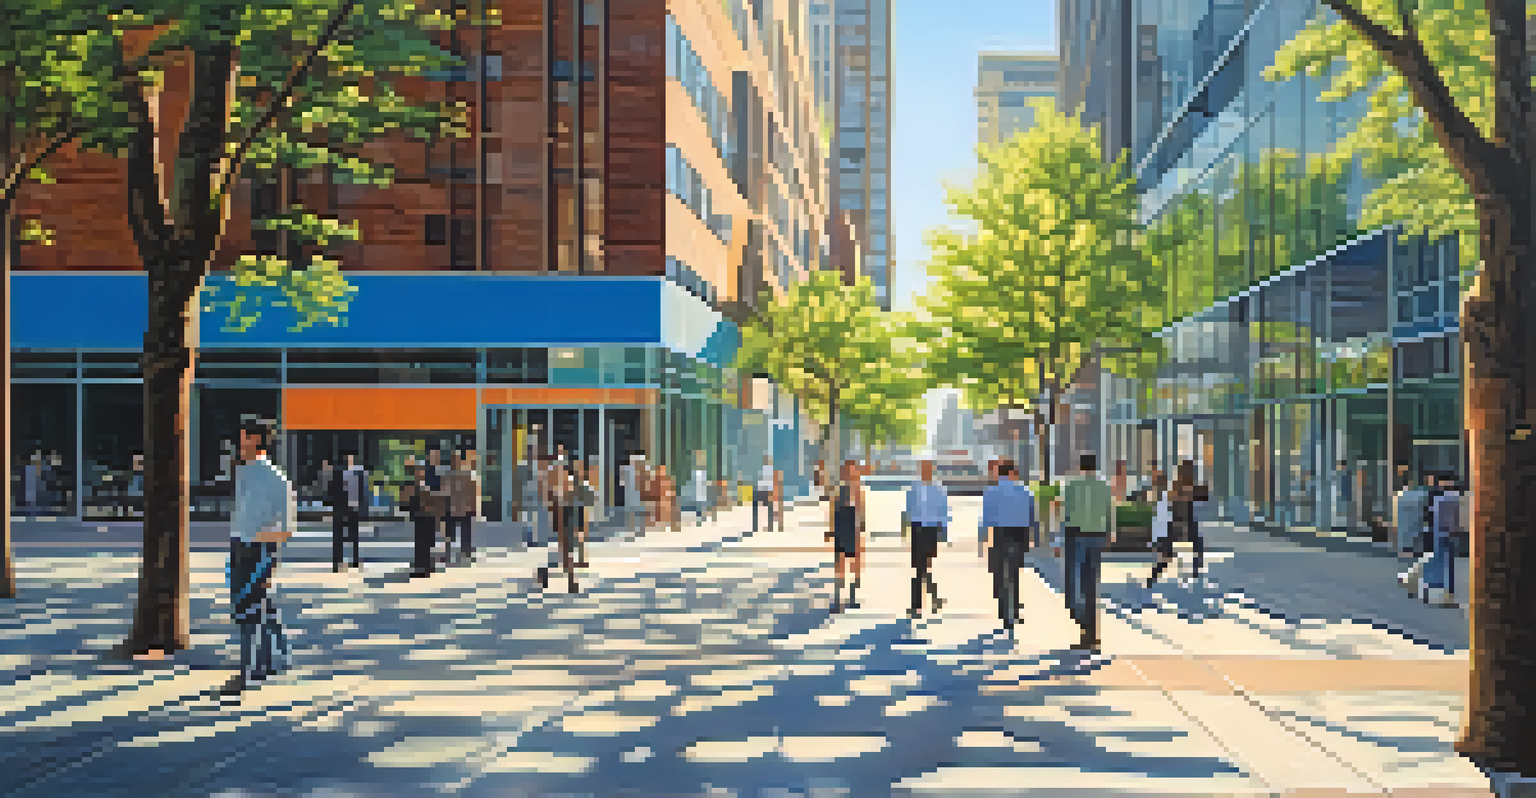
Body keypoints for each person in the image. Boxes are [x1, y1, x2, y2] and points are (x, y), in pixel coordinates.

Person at [224, 417, 297, 697]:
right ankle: (276, 658)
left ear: (254, 440)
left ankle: (248, 672)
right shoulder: (243, 473)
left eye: (243, 437)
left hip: (259, 551)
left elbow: (287, 528)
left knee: (249, 611)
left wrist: (258, 539)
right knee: (258, 606)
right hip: (239, 547)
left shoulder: (276, 480)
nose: (239, 443)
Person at [1057, 453, 1113, 651]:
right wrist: (1110, 534)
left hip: (1076, 537)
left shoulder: (1071, 486)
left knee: (1072, 583)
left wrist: (1058, 540)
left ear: (1080, 466)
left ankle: (1083, 622)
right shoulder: (1104, 487)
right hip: (1096, 537)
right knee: (1091, 585)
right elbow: (1110, 513)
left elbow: (1064, 514)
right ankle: (1091, 633)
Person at [982, 459, 1034, 636]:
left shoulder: (992, 491)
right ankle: (1015, 609)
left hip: (1000, 533)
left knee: (1000, 572)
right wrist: (1032, 537)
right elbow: (1032, 516)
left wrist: (984, 539)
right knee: (1014, 572)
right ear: (1012, 473)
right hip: (1020, 534)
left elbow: (986, 518)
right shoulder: (1025, 491)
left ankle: (1005, 612)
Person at [1148, 460, 1210, 587]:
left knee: (1196, 546)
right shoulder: (1179, 486)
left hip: (1182, 524)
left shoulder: (1185, 486)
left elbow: (1204, 496)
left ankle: (1195, 573)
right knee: (1170, 553)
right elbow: (1174, 500)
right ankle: (1155, 575)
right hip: (1179, 524)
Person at [906, 459, 950, 620]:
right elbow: (908, 508)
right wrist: (907, 529)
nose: (925, 471)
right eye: (923, 468)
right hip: (917, 529)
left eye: (928, 468)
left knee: (925, 566)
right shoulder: (914, 487)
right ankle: (917, 605)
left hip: (932, 529)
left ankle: (932, 598)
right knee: (919, 567)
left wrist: (944, 532)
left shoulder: (938, 488)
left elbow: (944, 511)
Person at [827, 460, 866, 613]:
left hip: (852, 526)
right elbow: (832, 508)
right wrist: (831, 530)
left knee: (854, 564)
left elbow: (861, 510)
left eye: (852, 471)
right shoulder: (838, 489)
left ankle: (852, 597)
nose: (849, 474)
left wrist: (861, 527)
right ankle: (837, 599)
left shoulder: (858, 490)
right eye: (847, 471)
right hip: (841, 525)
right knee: (840, 564)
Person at [1423, 475, 1463, 606]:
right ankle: (1448, 594)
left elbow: (1433, 517)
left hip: (1439, 533)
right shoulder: (1455, 499)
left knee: (1438, 562)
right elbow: (1457, 518)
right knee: (1448, 564)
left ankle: (1433, 592)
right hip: (1449, 534)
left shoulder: (1438, 499)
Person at [329, 449, 368, 572]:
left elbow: (363, 493)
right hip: (340, 509)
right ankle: (337, 562)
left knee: (354, 537)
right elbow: (332, 492)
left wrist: (363, 510)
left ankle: (355, 560)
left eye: (350, 458)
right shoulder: (337, 474)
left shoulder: (359, 474)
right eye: (347, 458)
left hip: (354, 508)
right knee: (338, 537)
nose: (348, 461)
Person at [400, 460, 439, 578]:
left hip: (424, 517)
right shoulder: (419, 485)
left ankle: (423, 568)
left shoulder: (420, 485)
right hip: (422, 517)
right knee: (423, 544)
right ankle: (425, 566)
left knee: (423, 544)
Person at [444, 447, 480, 564]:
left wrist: (473, 506)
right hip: (452, 508)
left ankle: (466, 553)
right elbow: (444, 492)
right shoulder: (448, 475)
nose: (455, 462)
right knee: (449, 534)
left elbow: (472, 490)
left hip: (464, 508)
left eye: (457, 459)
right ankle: (449, 553)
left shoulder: (466, 474)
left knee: (466, 533)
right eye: (453, 459)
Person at [754, 456, 778, 534]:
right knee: (768, 508)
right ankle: (768, 525)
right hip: (764, 491)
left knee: (758, 507)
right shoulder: (764, 470)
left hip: (764, 491)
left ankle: (756, 525)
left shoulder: (766, 470)